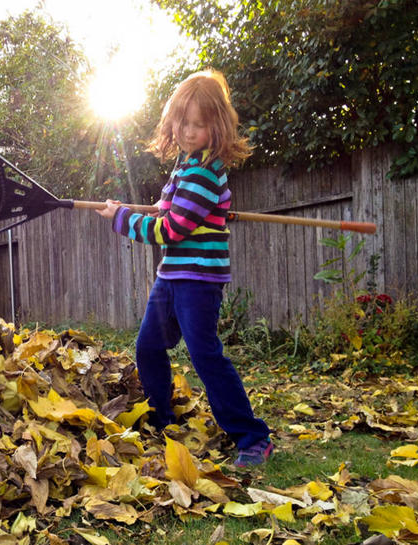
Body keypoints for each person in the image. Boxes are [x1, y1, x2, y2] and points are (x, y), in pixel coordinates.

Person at [97, 69, 273, 467]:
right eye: (183, 122)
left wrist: (121, 219)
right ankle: (162, 417)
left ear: (217, 127)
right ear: (172, 120)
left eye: (200, 124)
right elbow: (168, 209)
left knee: (205, 354)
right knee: (148, 346)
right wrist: (138, 209)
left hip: (198, 279)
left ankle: (253, 436)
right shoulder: (184, 165)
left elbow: (172, 229)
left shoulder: (204, 171)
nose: (189, 131)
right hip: (172, 276)